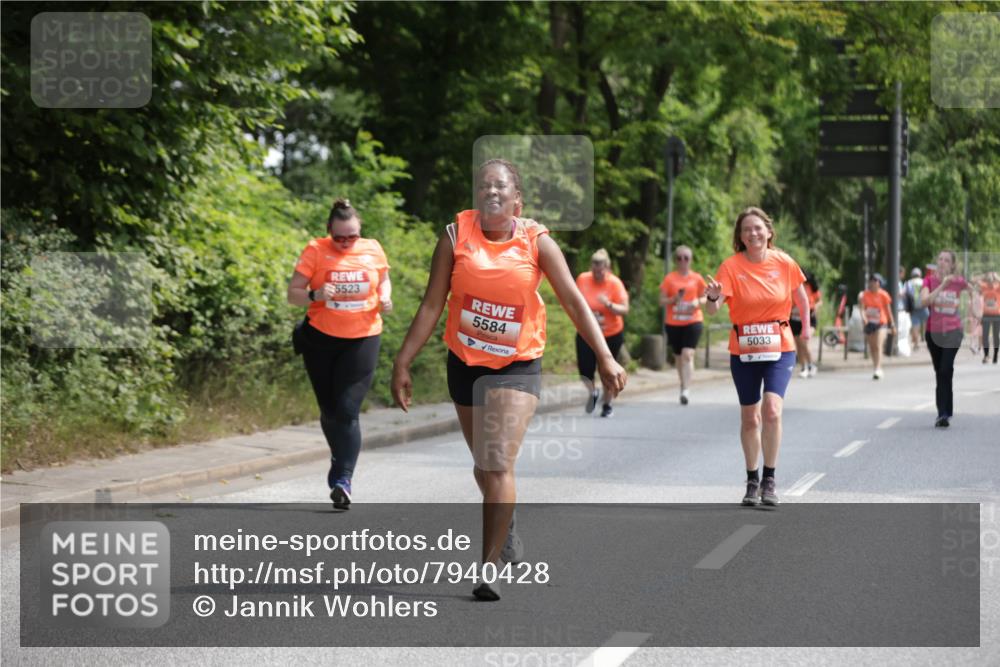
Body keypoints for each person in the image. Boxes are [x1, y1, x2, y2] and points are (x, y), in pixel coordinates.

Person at [390, 159, 627, 601]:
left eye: (499, 186)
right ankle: (508, 520)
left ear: (517, 199)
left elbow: (575, 304)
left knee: (496, 462)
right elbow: (430, 305)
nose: (490, 192)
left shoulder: (536, 242)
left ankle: (489, 566)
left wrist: (605, 357)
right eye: (483, 186)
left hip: (517, 364)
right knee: (485, 466)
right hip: (465, 363)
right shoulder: (455, 236)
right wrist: (403, 361)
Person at [287, 198, 392, 509]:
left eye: (352, 236)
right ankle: (339, 458)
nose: (346, 243)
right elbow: (293, 294)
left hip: (363, 338)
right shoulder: (315, 250)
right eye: (339, 237)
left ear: (360, 231)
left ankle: (343, 478)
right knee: (330, 410)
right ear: (328, 232)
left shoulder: (372, 249)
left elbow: (384, 280)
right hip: (320, 340)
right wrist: (314, 295)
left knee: (347, 410)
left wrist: (385, 297)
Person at [705, 207, 810, 507]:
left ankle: (770, 478)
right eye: (747, 229)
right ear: (740, 236)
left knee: (772, 410)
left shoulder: (784, 262)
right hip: (744, 349)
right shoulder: (730, 267)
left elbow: (801, 296)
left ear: (768, 231)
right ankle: (752, 479)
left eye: (758, 228)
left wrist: (807, 329)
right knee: (750, 418)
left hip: (780, 345)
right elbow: (712, 309)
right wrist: (712, 297)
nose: (753, 233)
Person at [919, 249, 973, 428]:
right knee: (941, 372)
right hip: (933, 332)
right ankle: (946, 410)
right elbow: (924, 301)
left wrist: (975, 311)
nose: (942, 262)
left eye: (946, 260)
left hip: (953, 332)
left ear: (952, 265)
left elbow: (975, 292)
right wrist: (942, 285)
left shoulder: (959, 282)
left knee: (945, 369)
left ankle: (942, 414)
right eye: (940, 259)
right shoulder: (929, 281)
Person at [576, 248, 629, 417]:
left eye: (601, 269)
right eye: (594, 269)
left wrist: (609, 305)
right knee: (585, 371)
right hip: (587, 334)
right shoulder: (583, 279)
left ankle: (607, 405)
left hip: (611, 334)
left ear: (607, 267)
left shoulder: (614, 283)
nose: (597, 273)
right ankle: (593, 392)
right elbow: (574, 301)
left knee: (607, 371)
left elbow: (625, 309)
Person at [659, 245, 707, 404]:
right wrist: (673, 300)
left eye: (686, 258)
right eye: (679, 258)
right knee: (679, 358)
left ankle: (686, 389)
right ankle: (683, 383)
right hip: (673, 322)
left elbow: (707, 298)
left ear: (690, 260)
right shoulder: (669, 278)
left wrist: (697, 301)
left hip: (693, 321)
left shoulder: (697, 278)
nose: (683, 261)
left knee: (688, 354)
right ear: (675, 260)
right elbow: (661, 301)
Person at [859, 273, 895, 379]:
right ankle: (875, 366)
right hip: (869, 323)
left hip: (881, 323)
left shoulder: (884, 295)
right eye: (871, 281)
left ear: (879, 283)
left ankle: (878, 368)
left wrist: (892, 324)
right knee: (872, 346)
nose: (873, 283)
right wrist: (863, 317)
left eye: (875, 281)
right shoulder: (865, 295)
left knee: (879, 345)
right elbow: (862, 308)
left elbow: (888, 311)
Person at [792, 270, 822, 378]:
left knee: (804, 342)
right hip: (794, 319)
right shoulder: (792, 286)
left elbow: (819, 301)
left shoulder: (810, 287)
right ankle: (803, 367)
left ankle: (811, 365)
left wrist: (815, 308)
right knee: (798, 345)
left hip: (809, 319)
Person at [978, 271, 1000, 364]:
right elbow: (975, 280)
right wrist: (984, 275)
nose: (991, 279)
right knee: (985, 336)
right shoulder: (984, 286)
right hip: (986, 315)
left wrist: (997, 276)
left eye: (992, 278)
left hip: (997, 315)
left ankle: (995, 355)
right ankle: (986, 355)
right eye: (989, 278)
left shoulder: (998, 288)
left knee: (996, 336)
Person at [906, 268, 929, 352]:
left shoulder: (908, 283)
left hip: (914, 308)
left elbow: (905, 294)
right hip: (924, 306)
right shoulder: (924, 281)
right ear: (920, 274)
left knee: (915, 326)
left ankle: (916, 344)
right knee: (928, 325)